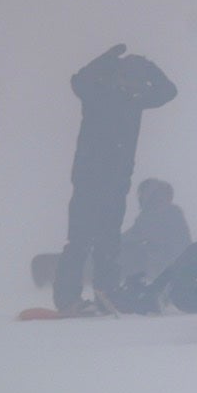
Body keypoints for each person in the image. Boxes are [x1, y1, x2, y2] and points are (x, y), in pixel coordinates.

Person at [54, 44, 177, 315]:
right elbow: (79, 80)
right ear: (118, 75)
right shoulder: (98, 93)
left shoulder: (135, 100)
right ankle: (67, 299)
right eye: (130, 77)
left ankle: (105, 292)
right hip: (88, 179)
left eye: (137, 80)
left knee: (109, 240)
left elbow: (169, 91)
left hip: (117, 182)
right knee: (80, 239)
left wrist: (149, 66)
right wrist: (108, 58)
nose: (134, 84)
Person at [118, 178, 192, 284]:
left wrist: (112, 243)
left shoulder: (160, 214)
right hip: (170, 262)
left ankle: (122, 286)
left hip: (166, 263)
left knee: (129, 253)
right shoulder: (169, 211)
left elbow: (134, 235)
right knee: (129, 251)